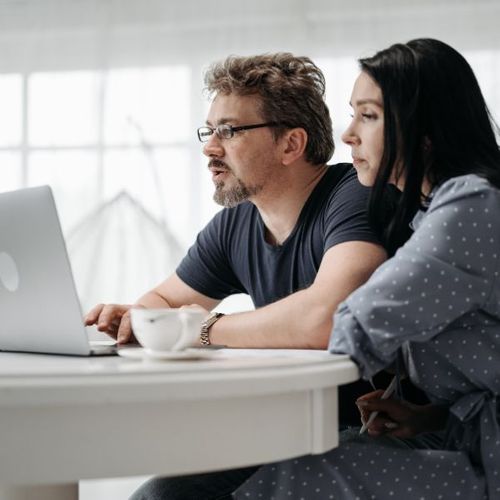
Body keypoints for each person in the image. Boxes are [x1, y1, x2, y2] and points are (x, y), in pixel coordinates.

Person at [85, 53, 391, 499]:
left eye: (229, 131)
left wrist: (201, 329)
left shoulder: (353, 198)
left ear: (291, 144)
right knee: (160, 494)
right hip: (288, 428)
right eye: (208, 131)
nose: (210, 147)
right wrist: (139, 318)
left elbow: (326, 319)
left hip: (371, 429)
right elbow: (163, 302)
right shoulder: (237, 222)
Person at [234, 38, 500, 499]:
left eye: (369, 116)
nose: (348, 134)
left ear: (426, 131)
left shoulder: (472, 206)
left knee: (300, 472)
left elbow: (350, 325)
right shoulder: (432, 211)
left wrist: (207, 331)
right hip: (464, 438)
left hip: (488, 461)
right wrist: (429, 416)